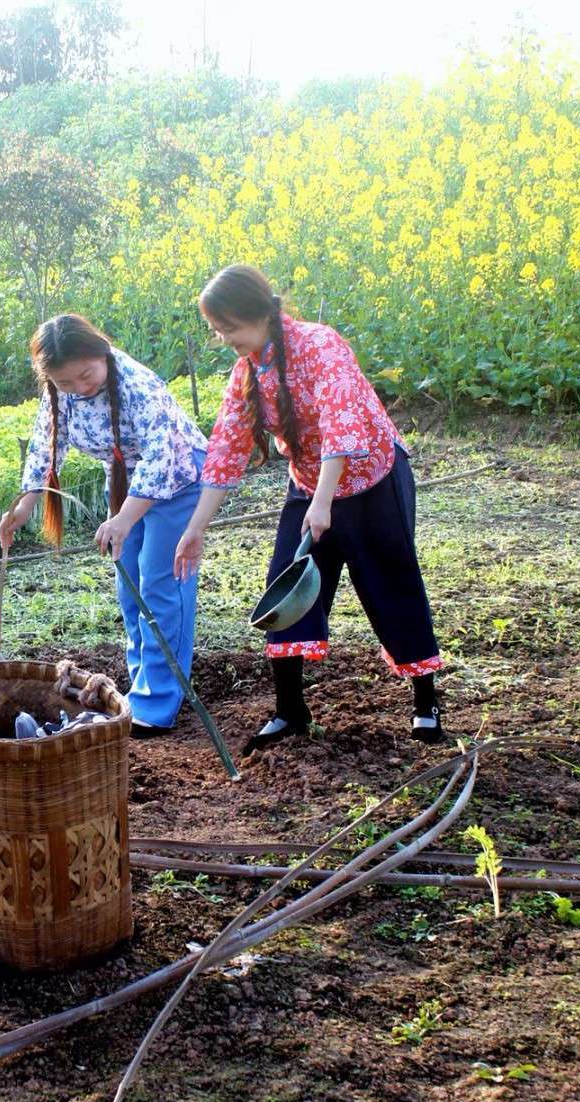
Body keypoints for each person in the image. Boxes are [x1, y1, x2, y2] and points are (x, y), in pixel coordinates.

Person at [172, 264, 446, 750]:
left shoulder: (321, 345)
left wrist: (322, 505)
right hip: (310, 485)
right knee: (286, 587)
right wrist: (197, 528)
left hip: (371, 479)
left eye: (228, 327)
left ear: (257, 313)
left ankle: (426, 704)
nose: (222, 338)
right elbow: (226, 451)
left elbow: (343, 427)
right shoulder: (247, 373)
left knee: (391, 583)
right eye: (217, 330)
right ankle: (291, 712)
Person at [0, 314, 208, 737]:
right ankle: (143, 687)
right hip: (130, 484)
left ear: (102, 352)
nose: (79, 388)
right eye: (66, 383)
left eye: (85, 375)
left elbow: (160, 457)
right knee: (129, 587)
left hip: (180, 478)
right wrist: (23, 507)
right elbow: (44, 447)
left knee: (161, 587)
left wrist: (124, 518)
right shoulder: (59, 394)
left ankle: (158, 703)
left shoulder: (136, 384)